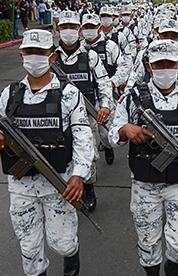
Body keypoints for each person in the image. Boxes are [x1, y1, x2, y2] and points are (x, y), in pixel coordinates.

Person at [0, 29, 94, 276]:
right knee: (29, 246)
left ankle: (72, 258)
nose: (34, 57)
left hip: (59, 182)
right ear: (22, 56)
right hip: (20, 185)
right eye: (29, 52)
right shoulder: (11, 94)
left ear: (52, 57)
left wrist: (79, 174)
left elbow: (82, 135)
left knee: (62, 244)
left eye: (40, 52)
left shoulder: (68, 94)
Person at [108, 39, 178, 276]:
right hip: (145, 184)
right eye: (159, 64)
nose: (165, 68)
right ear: (149, 67)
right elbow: (112, 135)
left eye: (170, 63)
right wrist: (125, 130)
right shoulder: (133, 98)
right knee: (148, 242)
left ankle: (174, 268)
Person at [53, 11, 113, 211]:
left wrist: (105, 105)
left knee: (89, 154)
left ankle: (88, 187)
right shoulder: (51, 57)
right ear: (58, 29)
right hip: (57, 118)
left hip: (87, 116)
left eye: (72, 26)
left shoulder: (91, 56)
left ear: (78, 29)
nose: (68, 30)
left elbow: (103, 83)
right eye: (64, 27)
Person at [79, 12, 132, 164]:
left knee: (105, 131)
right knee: (87, 133)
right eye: (86, 26)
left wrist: (113, 82)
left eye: (92, 26)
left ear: (99, 27)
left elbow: (124, 65)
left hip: (106, 95)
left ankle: (108, 146)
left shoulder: (110, 46)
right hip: (86, 97)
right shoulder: (79, 49)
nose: (89, 29)